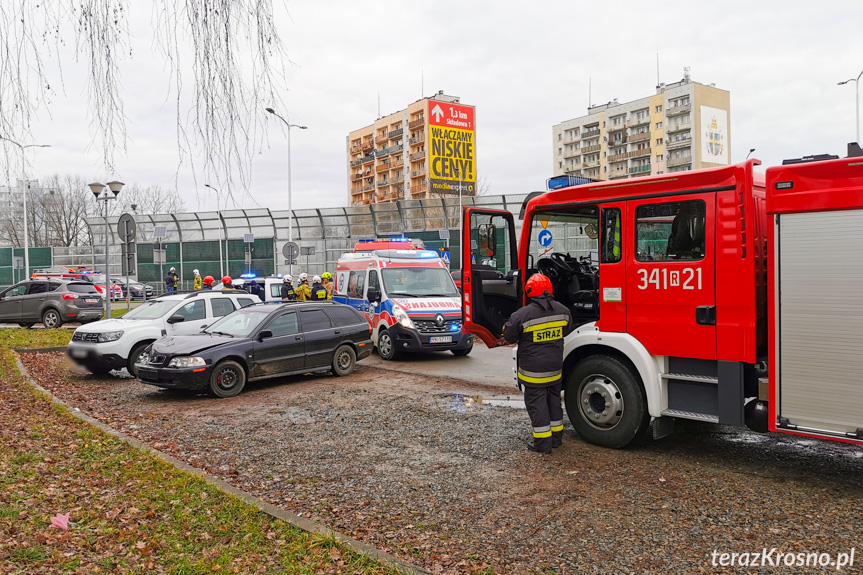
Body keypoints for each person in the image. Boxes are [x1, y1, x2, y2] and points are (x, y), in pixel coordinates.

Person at [502, 273, 572, 454]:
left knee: (537, 404)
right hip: (555, 369)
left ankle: (542, 444)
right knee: (554, 402)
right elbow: (566, 330)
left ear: (530, 291)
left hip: (534, 372)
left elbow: (509, 336)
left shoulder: (522, 315)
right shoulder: (563, 311)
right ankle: (556, 439)